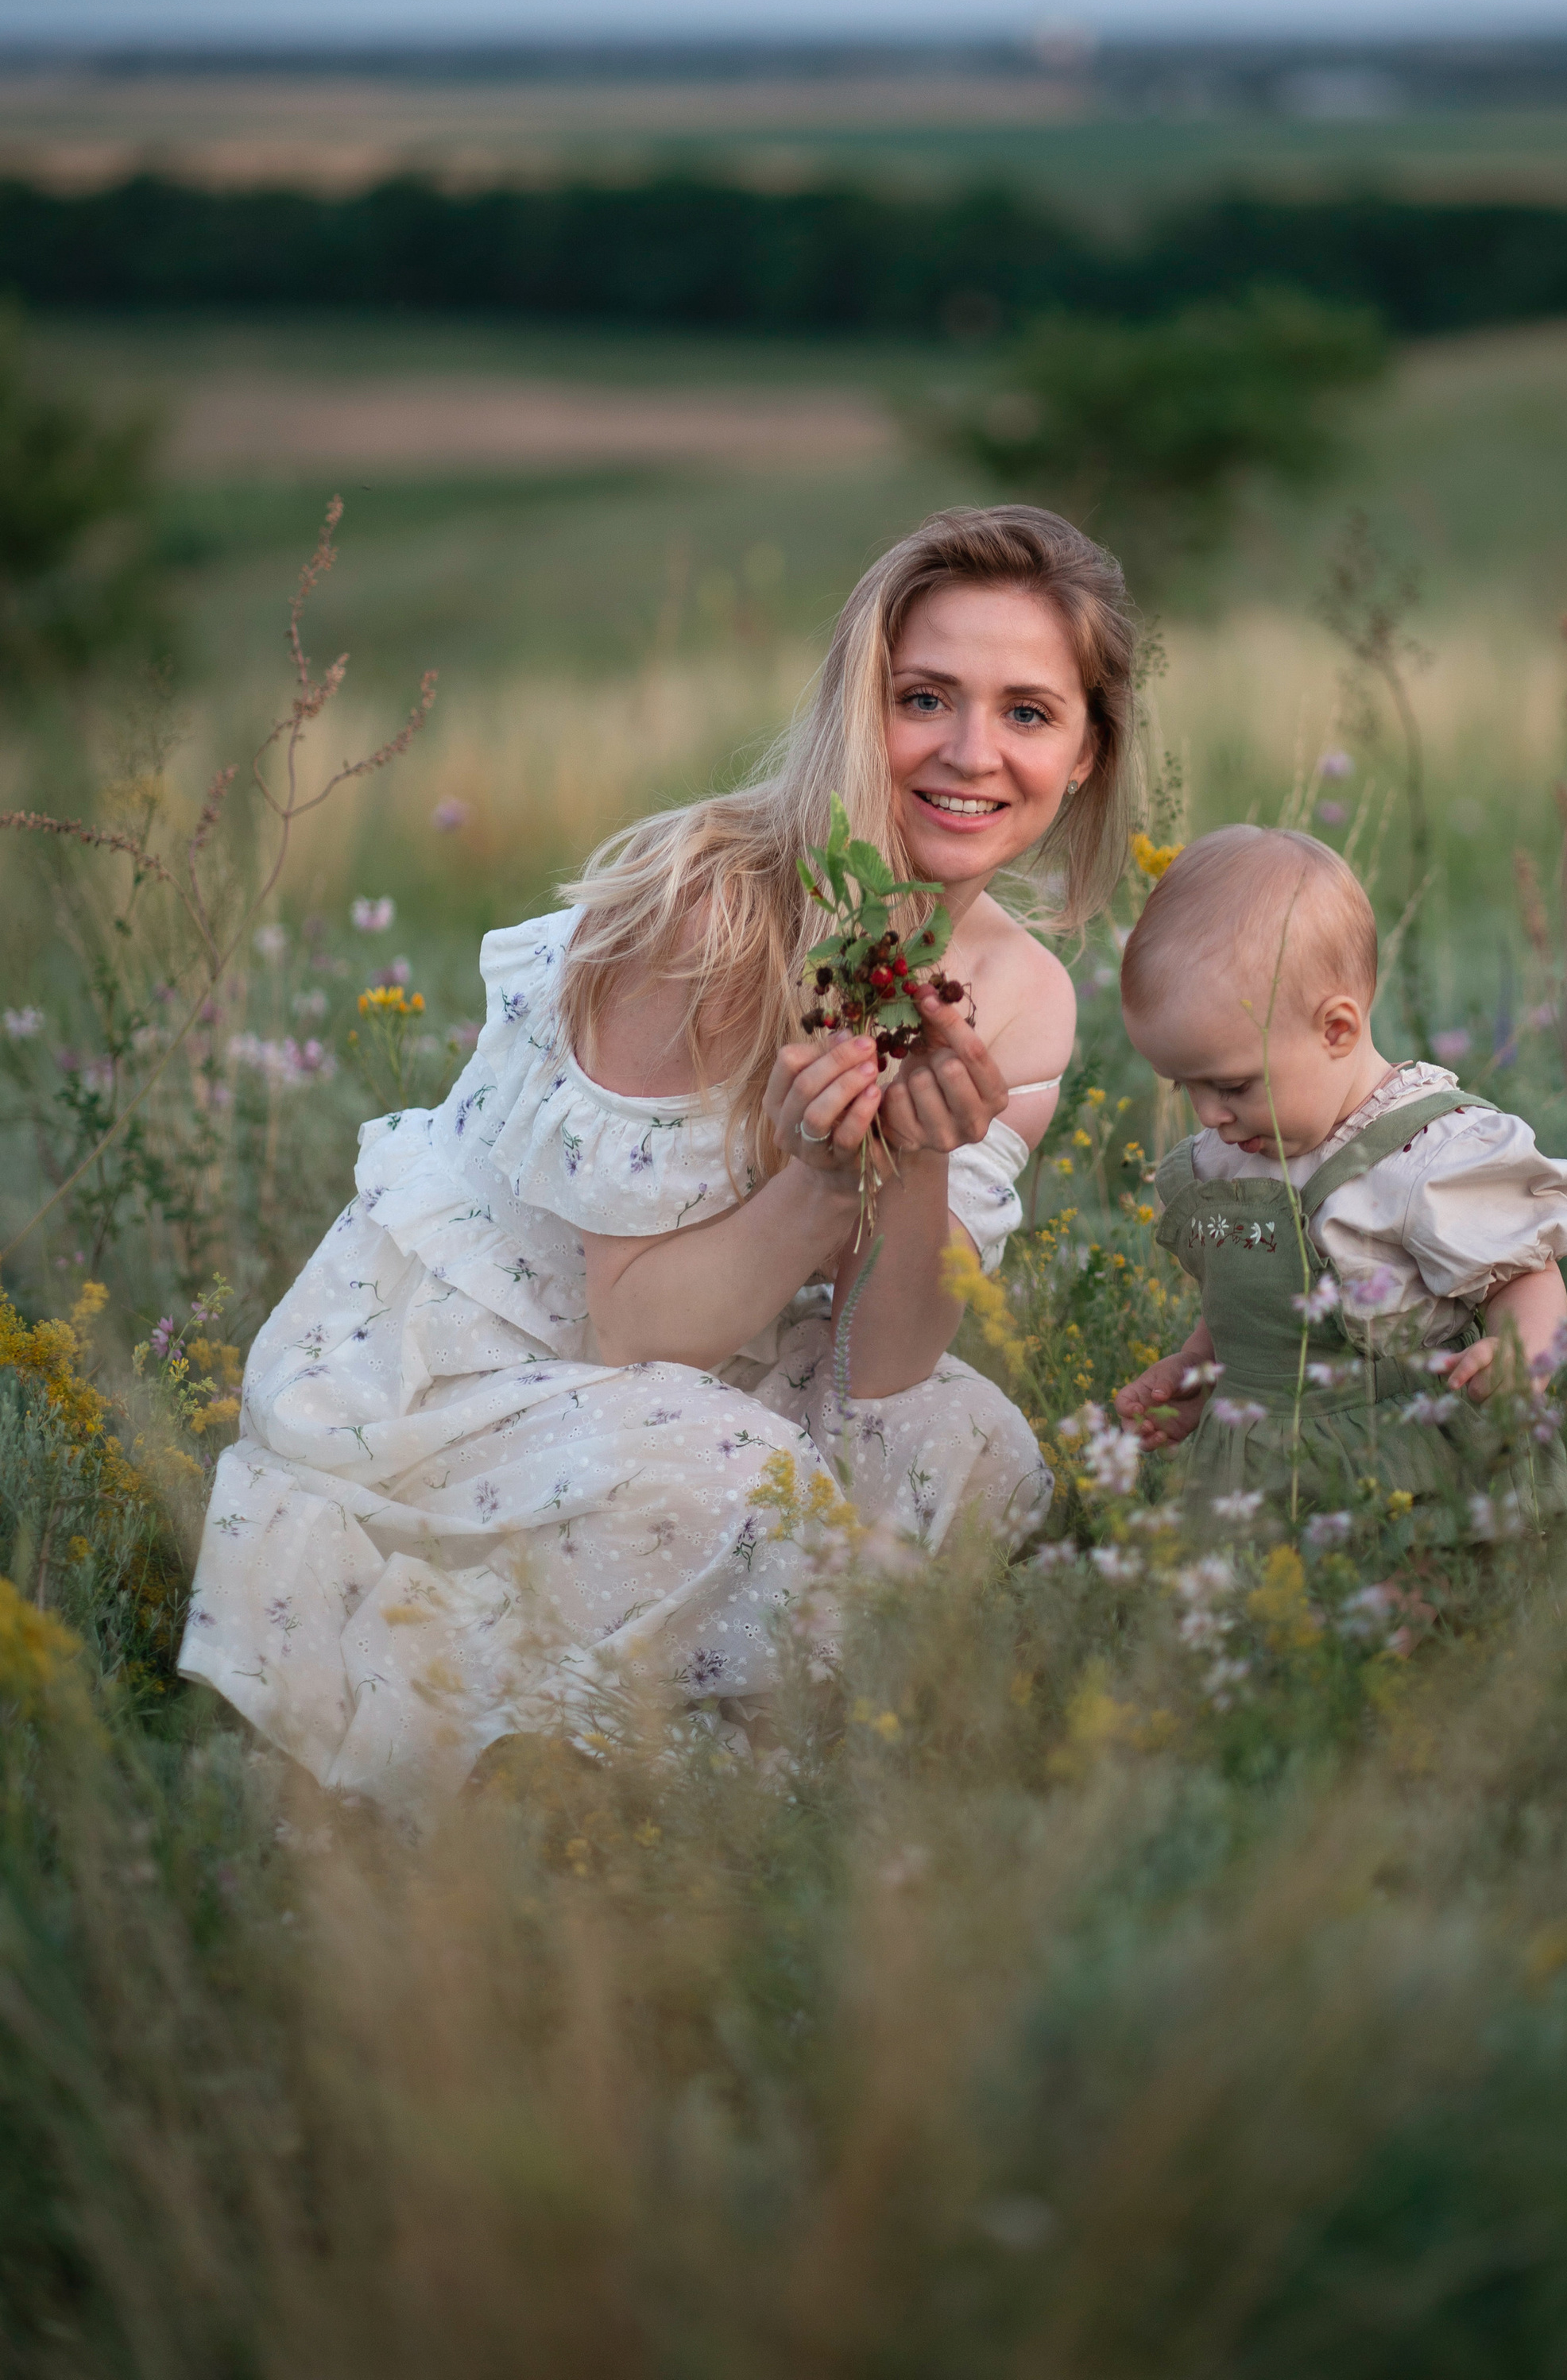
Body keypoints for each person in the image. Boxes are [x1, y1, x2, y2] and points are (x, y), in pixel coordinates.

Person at [180, 506, 1140, 1810]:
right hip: (505, 1355)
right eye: (926, 698)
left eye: (1030, 713)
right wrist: (815, 1175)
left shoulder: (1023, 1001)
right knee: (757, 1493)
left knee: (967, 1442)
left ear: (1087, 755)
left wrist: (911, 1162)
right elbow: (635, 1329)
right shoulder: (713, 909)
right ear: (862, 709)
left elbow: (889, 1361)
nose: (972, 754)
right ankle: (592, 1761)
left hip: (741, 1358)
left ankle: (745, 1741)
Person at [1110, 826, 1567, 1518]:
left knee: (1411, 1613)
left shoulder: (1424, 1154)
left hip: (1402, 1466)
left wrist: (1522, 1351)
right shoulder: (1230, 1157)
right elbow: (1257, 1300)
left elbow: (1527, 1274)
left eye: (1233, 1085)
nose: (1208, 1114)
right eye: (1185, 1087)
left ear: (1336, 1029)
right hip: (1261, 1480)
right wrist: (1202, 1370)